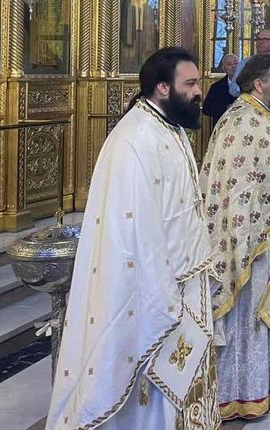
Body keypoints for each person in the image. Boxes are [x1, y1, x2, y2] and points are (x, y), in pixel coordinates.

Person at [48, 48, 219, 430]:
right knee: (156, 392)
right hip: (157, 288)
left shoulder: (169, 127)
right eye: (190, 84)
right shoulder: (135, 138)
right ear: (162, 87)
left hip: (186, 279)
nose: (198, 92)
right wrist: (163, 296)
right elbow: (133, 231)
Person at [202, 53, 270, 420]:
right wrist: (245, 242)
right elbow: (236, 190)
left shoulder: (259, 116)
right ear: (259, 84)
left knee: (264, 313)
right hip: (250, 243)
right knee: (249, 316)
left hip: (267, 236)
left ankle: (265, 386)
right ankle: (242, 392)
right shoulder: (242, 122)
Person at [228, 28, 270, 98]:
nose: (260, 42)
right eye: (258, 39)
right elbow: (233, 89)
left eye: (265, 39)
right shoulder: (245, 63)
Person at [203, 52, 240, 123]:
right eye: (229, 64)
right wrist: (226, 108)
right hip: (223, 125)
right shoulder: (216, 87)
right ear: (224, 68)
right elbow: (206, 109)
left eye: (236, 63)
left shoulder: (249, 84)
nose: (233, 67)